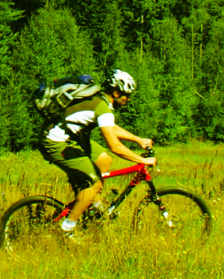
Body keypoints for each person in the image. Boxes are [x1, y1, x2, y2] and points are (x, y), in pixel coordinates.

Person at [40, 69, 155, 234]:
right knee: (93, 184)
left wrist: (138, 139)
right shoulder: (102, 107)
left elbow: (111, 127)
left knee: (104, 160)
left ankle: (93, 204)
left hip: (73, 138)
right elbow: (115, 146)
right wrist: (143, 161)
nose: (128, 99)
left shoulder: (101, 102)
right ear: (116, 93)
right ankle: (67, 228)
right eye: (126, 95)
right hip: (56, 141)